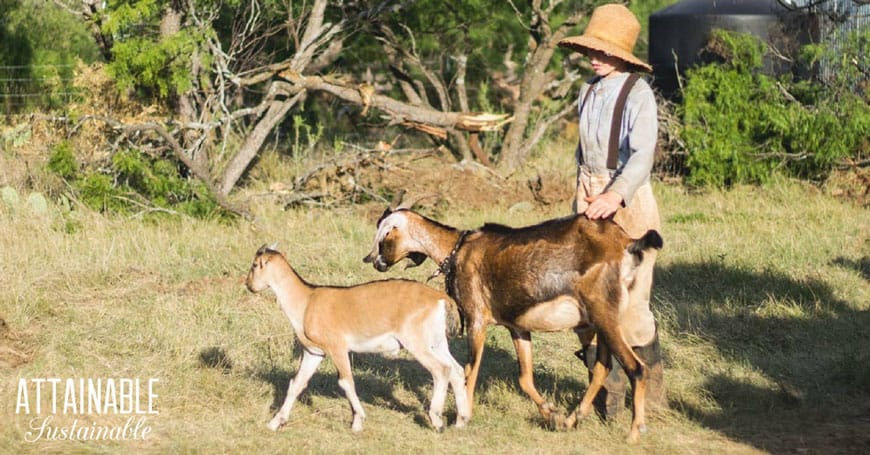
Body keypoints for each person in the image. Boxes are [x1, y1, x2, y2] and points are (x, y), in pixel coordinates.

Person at [557, 3, 666, 418]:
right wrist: (583, 194)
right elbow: (583, 151)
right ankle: (605, 397)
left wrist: (615, 195)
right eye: (591, 50)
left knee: (632, 305)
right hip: (586, 200)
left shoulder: (638, 92)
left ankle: (650, 396)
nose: (594, 57)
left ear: (622, 54)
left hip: (628, 202)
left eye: (603, 51)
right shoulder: (587, 89)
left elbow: (641, 156)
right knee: (585, 302)